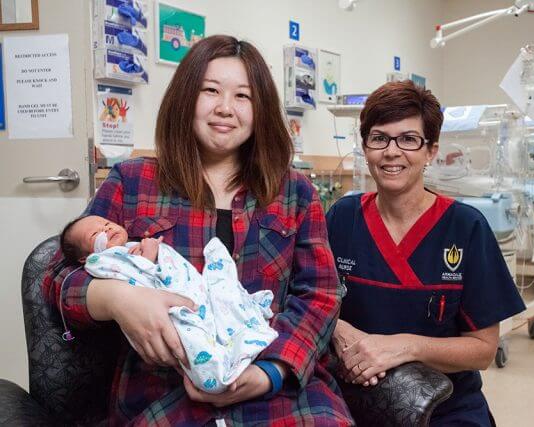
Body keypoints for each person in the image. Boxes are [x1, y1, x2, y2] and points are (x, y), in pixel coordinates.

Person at [43, 35, 353, 426]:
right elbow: (58, 278)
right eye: (210, 90)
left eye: (243, 96)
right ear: (186, 97)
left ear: (261, 111)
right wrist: (117, 298)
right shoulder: (133, 181)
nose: (225, 108)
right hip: (166, 391)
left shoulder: (295, 191)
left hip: (278, 388)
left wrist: (269, 373)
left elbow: (320, 295)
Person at [326, 80, 526, 426]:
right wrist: (338, 329)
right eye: (379, 138)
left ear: (431, 150)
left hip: (444, 405)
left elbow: (482, 350)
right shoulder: (341, 218)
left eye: (408, 139)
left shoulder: (466, 228)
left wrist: (405, 346)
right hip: (353, 396)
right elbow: (307, 300)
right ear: (365, 147)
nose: (392, 152)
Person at [59, 214, 278, 394]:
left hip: (199, 295)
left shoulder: (133, 246)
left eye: (107, 223)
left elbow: (311, 296)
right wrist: (116, 296)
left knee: (224, 293)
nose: (106, 228)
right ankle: (216, 368)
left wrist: (274, 372)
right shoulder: (103, 259)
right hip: (161, 373)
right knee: (193, 337)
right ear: (84, 257)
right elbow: (60, 280)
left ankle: (240, 333)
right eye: (96, 234)